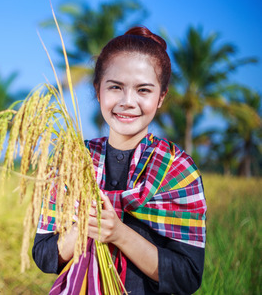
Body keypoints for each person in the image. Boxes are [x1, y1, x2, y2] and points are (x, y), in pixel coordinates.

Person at [32, 26, 207, 294]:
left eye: (143, 91)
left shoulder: (178, 169)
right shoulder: (74, 161)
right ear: (98, 90)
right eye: (115, 87)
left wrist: (119, 234)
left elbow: (187, 276)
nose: (128, 102)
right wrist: (83, 227)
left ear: (161, 97)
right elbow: (44, 255)